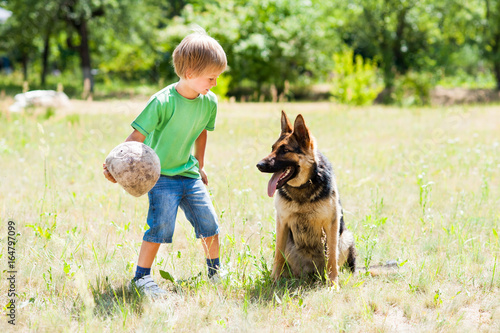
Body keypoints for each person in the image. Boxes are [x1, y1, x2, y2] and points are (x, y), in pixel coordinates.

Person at [103, 30, 227, 297]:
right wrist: (116, 165)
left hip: (189, 174)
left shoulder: (209, 102)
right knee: (160, 226)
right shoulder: (162, 101)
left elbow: (202, 130)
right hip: (161, 178)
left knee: (209, 222)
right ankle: (142, 277)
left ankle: (215, 271)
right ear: (191, 72)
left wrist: (201, 164)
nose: (215, 83)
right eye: (211, 77)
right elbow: (137, 137)